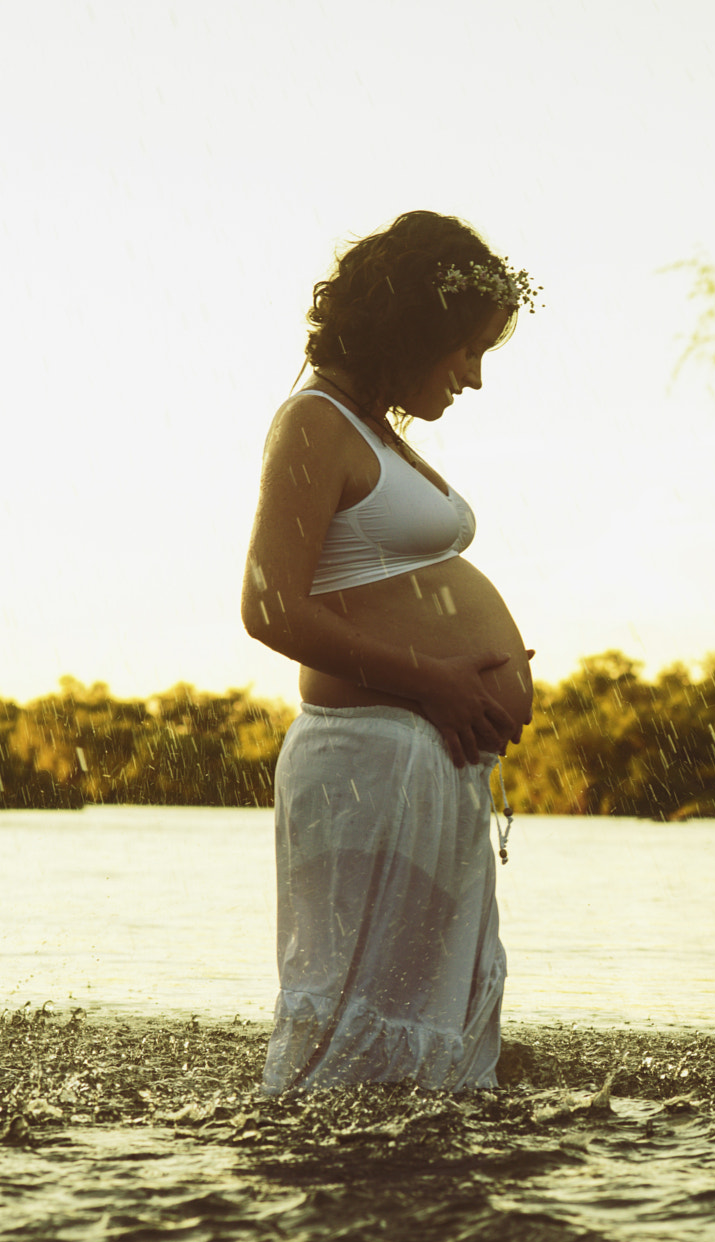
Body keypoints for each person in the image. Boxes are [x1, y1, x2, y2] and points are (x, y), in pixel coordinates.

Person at [240, 211, 538, 1093]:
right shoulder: (313, 423)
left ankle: (412, 1213)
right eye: (463, 351)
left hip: (427, 759)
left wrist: (464, 666)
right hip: (371, 759)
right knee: (356, 1026)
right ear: (411, 328)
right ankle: (336, 1201)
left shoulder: (372, 432)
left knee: (434, 1034)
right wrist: (436, 677)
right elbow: (267, 606)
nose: (475, 379)